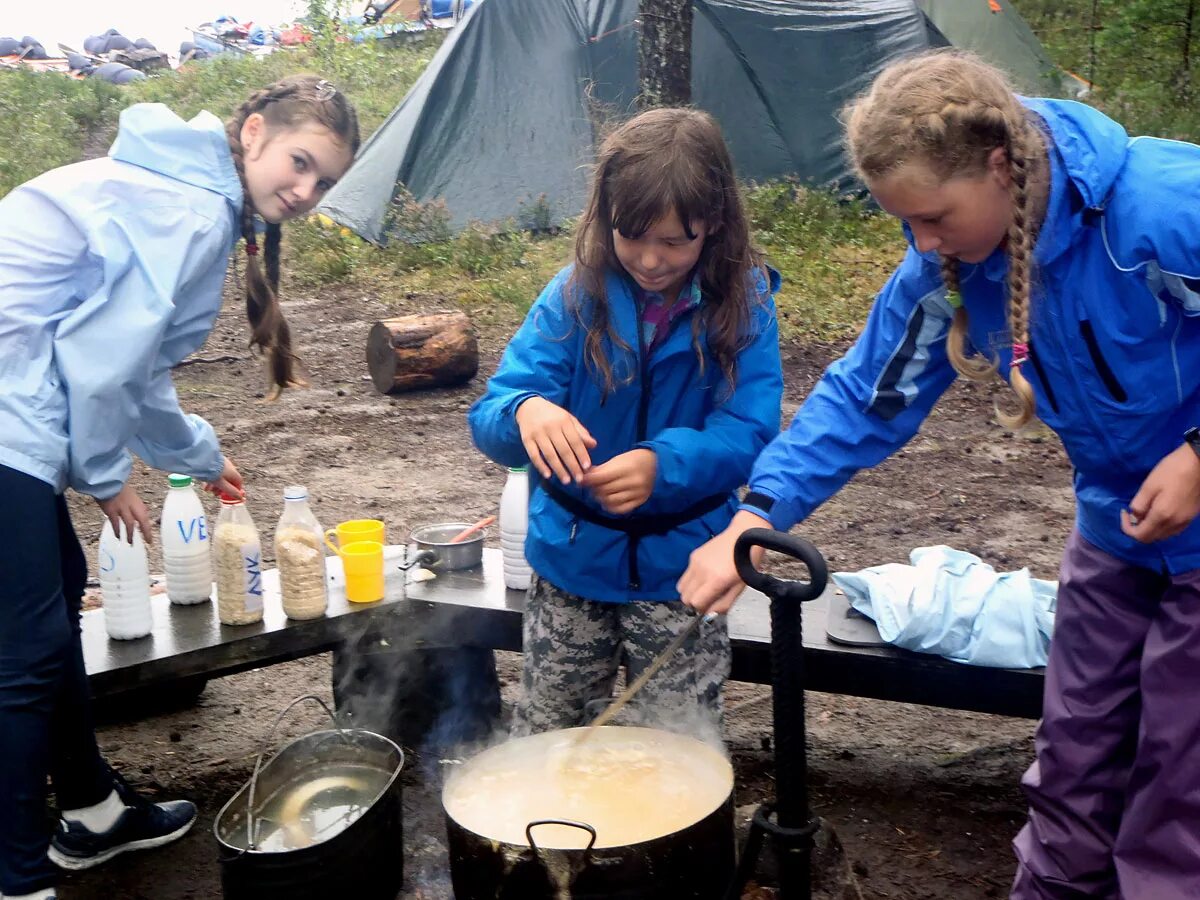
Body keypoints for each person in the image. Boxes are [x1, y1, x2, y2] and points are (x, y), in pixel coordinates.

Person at [678, 49, 1200, 898]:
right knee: (1072, 763)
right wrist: (754, 518)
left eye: (933, 215)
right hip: (1116, 531)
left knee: (1179, 790)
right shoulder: (950, 269)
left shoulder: (1159, 208)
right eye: (903, 222)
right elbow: (864, 398)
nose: (921, 243)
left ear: (1001, 166)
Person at [0, 74, 359, 900]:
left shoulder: (180, 188)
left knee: (53, 608)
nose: (304, 191)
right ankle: (17, 880)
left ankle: (91, 811)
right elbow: (106, 365)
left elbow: (140, 371)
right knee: (22, 656)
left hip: (21, 404)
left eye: (325, 181)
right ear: (255, 133)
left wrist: (194, 454)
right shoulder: (191, 210)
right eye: (300, 163)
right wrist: (104, 479)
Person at [469, 107, 783, 738]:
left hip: (683, 571)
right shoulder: (573, 296)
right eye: (631, 235)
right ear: (605, 216)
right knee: (548, 738)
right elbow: (491, 413)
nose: (650, 259)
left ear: (714, 225)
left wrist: (662, 466)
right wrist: (525, 411)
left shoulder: (743, 308)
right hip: (570, 564)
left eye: (674, 241)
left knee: (678, 747)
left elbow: (748, 430)